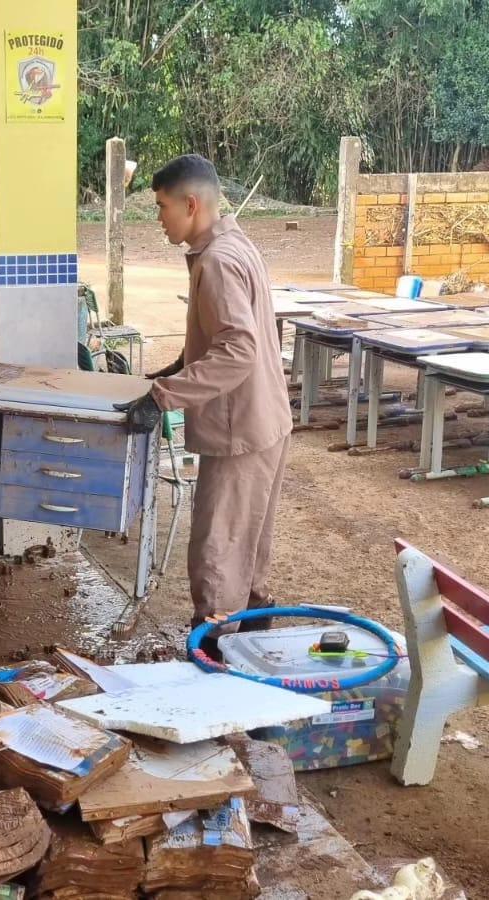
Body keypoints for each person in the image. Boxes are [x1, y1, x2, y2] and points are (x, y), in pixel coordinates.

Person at [116, 155, 293, 652]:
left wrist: (163, 396)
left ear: (191, 204)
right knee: (248, 540)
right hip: (264, 419)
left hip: (241, 430)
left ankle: (214, 647)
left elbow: (239, 349)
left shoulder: (217, 260)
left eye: (161, 206)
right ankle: (253, 637)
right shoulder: (233, 244)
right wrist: (179, 366)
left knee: (218, 544)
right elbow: (231, 333)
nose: (158, 218)